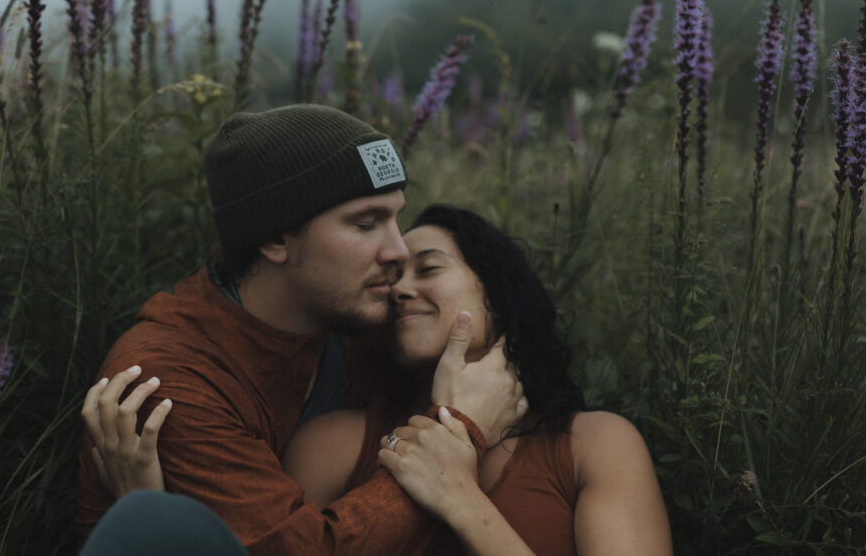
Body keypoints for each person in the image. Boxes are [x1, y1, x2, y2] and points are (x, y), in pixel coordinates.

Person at [89, 204, 673, 555]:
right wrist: (146, 511)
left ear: (498, 291)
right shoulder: (339, 442)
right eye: (393, 278)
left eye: (430, 269)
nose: (400, 287)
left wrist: (461, 497)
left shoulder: (594, 444)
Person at [76, 106, 525, 555]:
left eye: (396, 219)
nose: (397, 250)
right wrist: (456, 435)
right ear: (275, 239)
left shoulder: (363, 318)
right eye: (366, 224)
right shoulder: (170, 380)